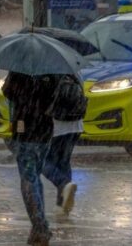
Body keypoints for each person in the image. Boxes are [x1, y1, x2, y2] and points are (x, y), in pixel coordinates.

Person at [3, 72, 59, 246]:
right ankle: (38, 227)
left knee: (28, 180)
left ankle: (40, 227)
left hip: (25, 131)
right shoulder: (53, 70)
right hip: (45, 133)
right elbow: (56, 98)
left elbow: (7, 92)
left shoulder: (21, 69)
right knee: (35, 178)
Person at [42, 74, 85, 216]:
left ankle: (63, 184)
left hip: (57, 125)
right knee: (64, 162)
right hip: (76, 125)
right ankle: (62, 204)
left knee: (42, 162)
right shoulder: (75, 72)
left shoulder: (49, 74)